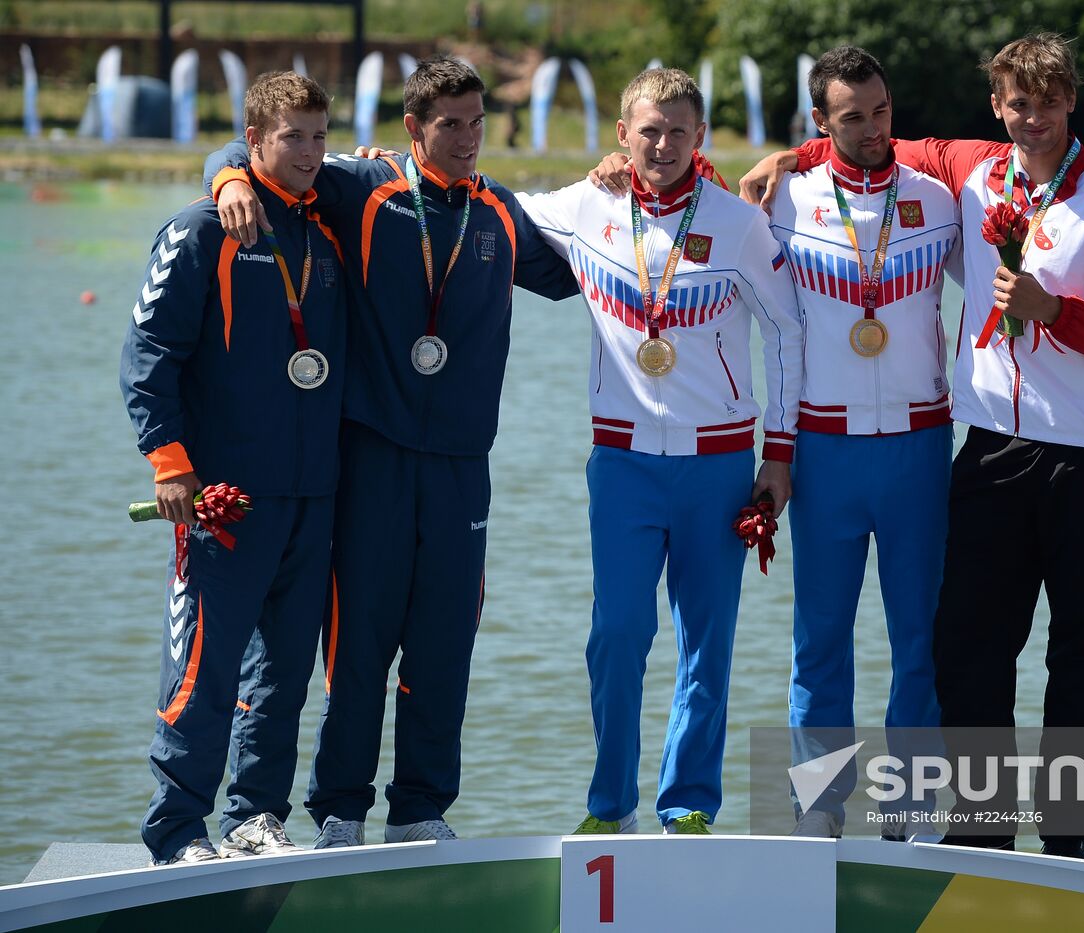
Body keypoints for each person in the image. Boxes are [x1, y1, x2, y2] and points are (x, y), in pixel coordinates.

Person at [741, 33, 1084, 856]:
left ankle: (1038, 835)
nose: (1031, 118)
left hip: (1028, 453)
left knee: (1023, 649)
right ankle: (908, 820)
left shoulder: (1057, 193)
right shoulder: (955, 170)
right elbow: (857, 142)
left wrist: (1054, 310)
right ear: (997, 108)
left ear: (1072, 99)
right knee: (909, 646)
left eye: (1047, 101)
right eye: (1016, 103)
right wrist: (793, 153)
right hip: (935, 451)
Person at [207, 55, 578, 847]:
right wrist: (228, 182)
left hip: (460, 469)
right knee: (358, 643)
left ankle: (420, 810)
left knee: (444, 644)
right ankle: (341, 808)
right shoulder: (361, 186)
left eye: (478, 122)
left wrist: (639, 184)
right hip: (371, 458)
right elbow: (257, 152)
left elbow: (590, 266)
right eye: (450, 124)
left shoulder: (499, 213)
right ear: (414, 127)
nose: (468, 138)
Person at [515, 68, 803, 835]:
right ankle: (609, 806)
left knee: (705, 642)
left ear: (701, 138)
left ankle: (688, 806)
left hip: (717, 467)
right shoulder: (586, 206)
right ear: (622, 135)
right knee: (617, 634)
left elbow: (787, 333)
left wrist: (779, 452)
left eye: (680, 130)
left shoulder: (739, 224)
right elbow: (487, 202)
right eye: (650, 130)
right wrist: (384, 167)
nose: (664, 144)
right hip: (624, 466)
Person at [121, 71, 345, 865]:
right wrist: (169, 462)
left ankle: (255, 814)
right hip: (224, 497)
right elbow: (147, 355)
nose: (312, 154)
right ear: (254, 142)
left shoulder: (326, 228)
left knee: (282, 673)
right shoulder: (202, 229)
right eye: (294, 138)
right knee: (204, 667)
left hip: (311, 494)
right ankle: (177, 828)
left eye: (321, 137)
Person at [763, 46, 960, 840]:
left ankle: (910, 807)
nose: (875, 129)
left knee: (921, 641)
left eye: (882, 111)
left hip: (919, 448)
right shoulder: (781, 203)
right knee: (821, 643)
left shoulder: (941, 202)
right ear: (819, 123)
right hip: (825, 453)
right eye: (853, 117)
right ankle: (820, 806)